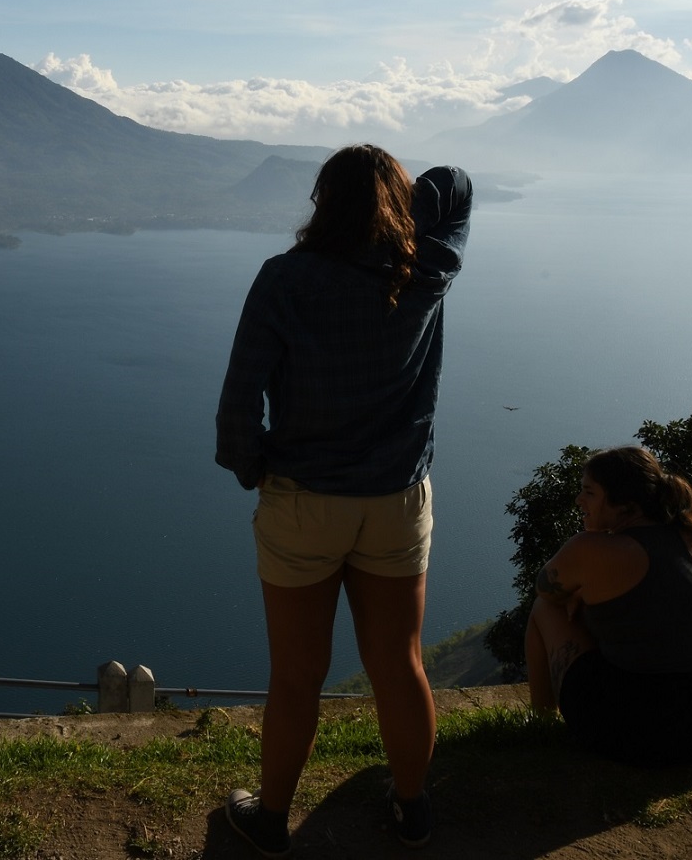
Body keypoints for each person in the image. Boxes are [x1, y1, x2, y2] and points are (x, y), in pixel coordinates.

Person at [215, 144, 472, 855]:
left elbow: (238, 409)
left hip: (304, 500)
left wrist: (256, 469)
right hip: (395, 498)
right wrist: (396, 214)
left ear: (320, 202)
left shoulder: (285, 280)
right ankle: (414, 810)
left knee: (297, 674)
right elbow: (456, 183)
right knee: (401, 663)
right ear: (395, 204)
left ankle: (270, 819)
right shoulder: (425, 269)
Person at [523, 446, 692, 767]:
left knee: (545, 609)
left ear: (625, 507)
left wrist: (579, 593)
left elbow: (546, 589)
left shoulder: (591, 548)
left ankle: (541, 721)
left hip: (638, 729)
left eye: (589, 493)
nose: (579, 501)